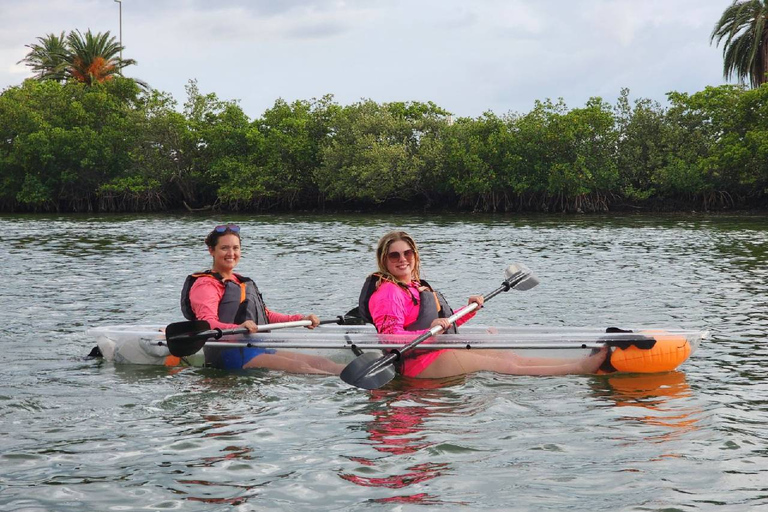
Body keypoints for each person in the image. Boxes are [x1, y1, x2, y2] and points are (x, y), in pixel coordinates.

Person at [358, 230, 607, 379]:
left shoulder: (414, 285)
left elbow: (440, 322)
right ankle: (580, 369)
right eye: (395, 255)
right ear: (384, 260)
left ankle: (580, 363)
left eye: (407, 253)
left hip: (434, 349)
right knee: (503, 366)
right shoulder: (388, 292)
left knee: (508, 355)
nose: (403, 260)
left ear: (415, 255)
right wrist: (432, 332)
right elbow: (389, 339)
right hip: (415, 363)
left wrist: (469, 311)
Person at [180, 224, 344, 375]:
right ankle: (348, 389)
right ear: (211, 250)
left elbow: (265, 315)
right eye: (224, 248)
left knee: (321, 362)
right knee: (301, 369)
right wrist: (238, 327)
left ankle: (365, 379)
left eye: (235, 248)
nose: (231, 253)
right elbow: (207, 323)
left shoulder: (240, 282)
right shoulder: (206, 285)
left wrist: (301, 319)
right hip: (227, 353)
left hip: (253, 348)